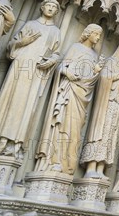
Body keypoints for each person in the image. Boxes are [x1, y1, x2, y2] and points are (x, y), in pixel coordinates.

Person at [0, 0, 61, 159]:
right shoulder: (30, 24)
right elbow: (11, 45)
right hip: (20, 66)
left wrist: (48, 62)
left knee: (27, 107)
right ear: (42, 7)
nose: (50, 9)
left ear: (57, 11)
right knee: (9, 101)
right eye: (48, 5)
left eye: (54, 7)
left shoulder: (55, 31)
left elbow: (56, 53)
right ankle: (0, 139)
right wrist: (23, 42)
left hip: (36, 73)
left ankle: (16, 143)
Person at [35, 24, 104, 174]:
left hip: (82, 96)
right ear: (88, 33)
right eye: (96, 34)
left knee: (75, 131)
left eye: (100, 35)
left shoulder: (93, 55)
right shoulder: (76, 48)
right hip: (68, 92)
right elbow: (61, 68)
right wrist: (69, 74)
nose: (98, 38)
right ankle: (55, 161)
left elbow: (90, 81)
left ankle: (66, 165)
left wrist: (97, 72)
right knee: (62, 125)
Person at [80, 41, 119, 178]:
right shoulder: (111, 62)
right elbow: (104, 78)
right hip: (105, 104)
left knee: (110, 136)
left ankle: (100, 169)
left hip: (116, 104)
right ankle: (91, 167)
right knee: (100, 134)